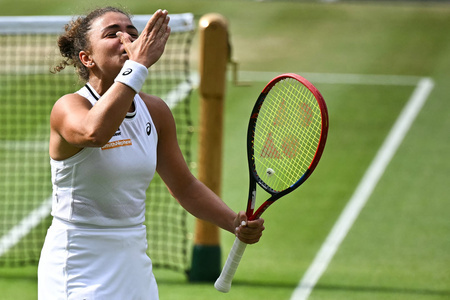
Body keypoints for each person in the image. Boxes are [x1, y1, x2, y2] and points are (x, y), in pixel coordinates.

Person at [38, 6, 265, 300]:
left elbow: (184, 187)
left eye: (133, 33)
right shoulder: (69, 107)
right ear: (87, 58)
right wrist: (138, 65)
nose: (127, 39)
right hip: (79, 266)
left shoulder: (155, 111)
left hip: (134, 266)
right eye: (112, 34)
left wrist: (234, 223)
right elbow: (94, 133)